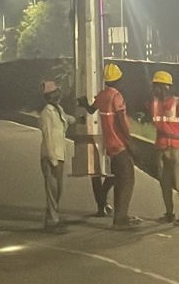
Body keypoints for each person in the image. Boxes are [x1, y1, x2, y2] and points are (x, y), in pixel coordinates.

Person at [77, 63, 141, 229]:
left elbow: (92, 109)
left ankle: (120, 217)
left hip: (110, 145)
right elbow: (121, 123)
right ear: (119, 80)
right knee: (127, 181)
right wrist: (130, 143)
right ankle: (121, 218)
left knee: (119, 179)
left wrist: (84, 103)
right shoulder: (116, 96)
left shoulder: (103, 95)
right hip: (120, 144)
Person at [147, 70, 179, 225]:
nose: (154, 89)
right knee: (164, 182)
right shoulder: (154, 103)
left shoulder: (178, 102)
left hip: (175, 147)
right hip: (161, 146)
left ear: (165, 87)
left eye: (157, 86)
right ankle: (169, 212)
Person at [38, 80, 75, 233]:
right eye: (54, 93)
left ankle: (52, 217)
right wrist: (52, 159)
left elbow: (67, 119)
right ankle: (52, 221)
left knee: (57, 189)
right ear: (49, 96)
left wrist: (81, 118)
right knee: (52, 189)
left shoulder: (57, 109)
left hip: (59, 154)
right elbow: (47, 136)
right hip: (51, 155)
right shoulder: (46, 113)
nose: (58, 95)